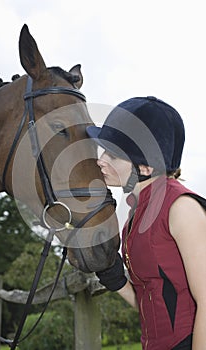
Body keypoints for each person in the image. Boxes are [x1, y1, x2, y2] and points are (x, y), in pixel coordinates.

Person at [86, 96, 206, 350]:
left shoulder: (181, 207)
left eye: (114, 155)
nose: (101, 160)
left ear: (146, 167)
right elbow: (151, 303)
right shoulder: (135, 215)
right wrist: (113, 277)